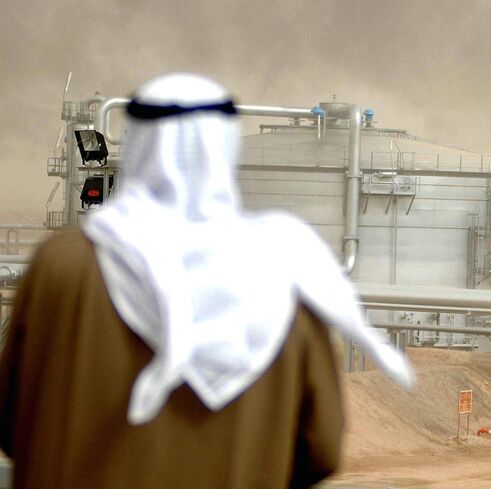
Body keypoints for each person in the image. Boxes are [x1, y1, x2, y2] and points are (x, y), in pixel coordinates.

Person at [0, 73, 412, 489]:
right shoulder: (285, 273)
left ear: (138, 140)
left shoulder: (60, 266)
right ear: (225, 148)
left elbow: (11, 421)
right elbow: (321, 451)